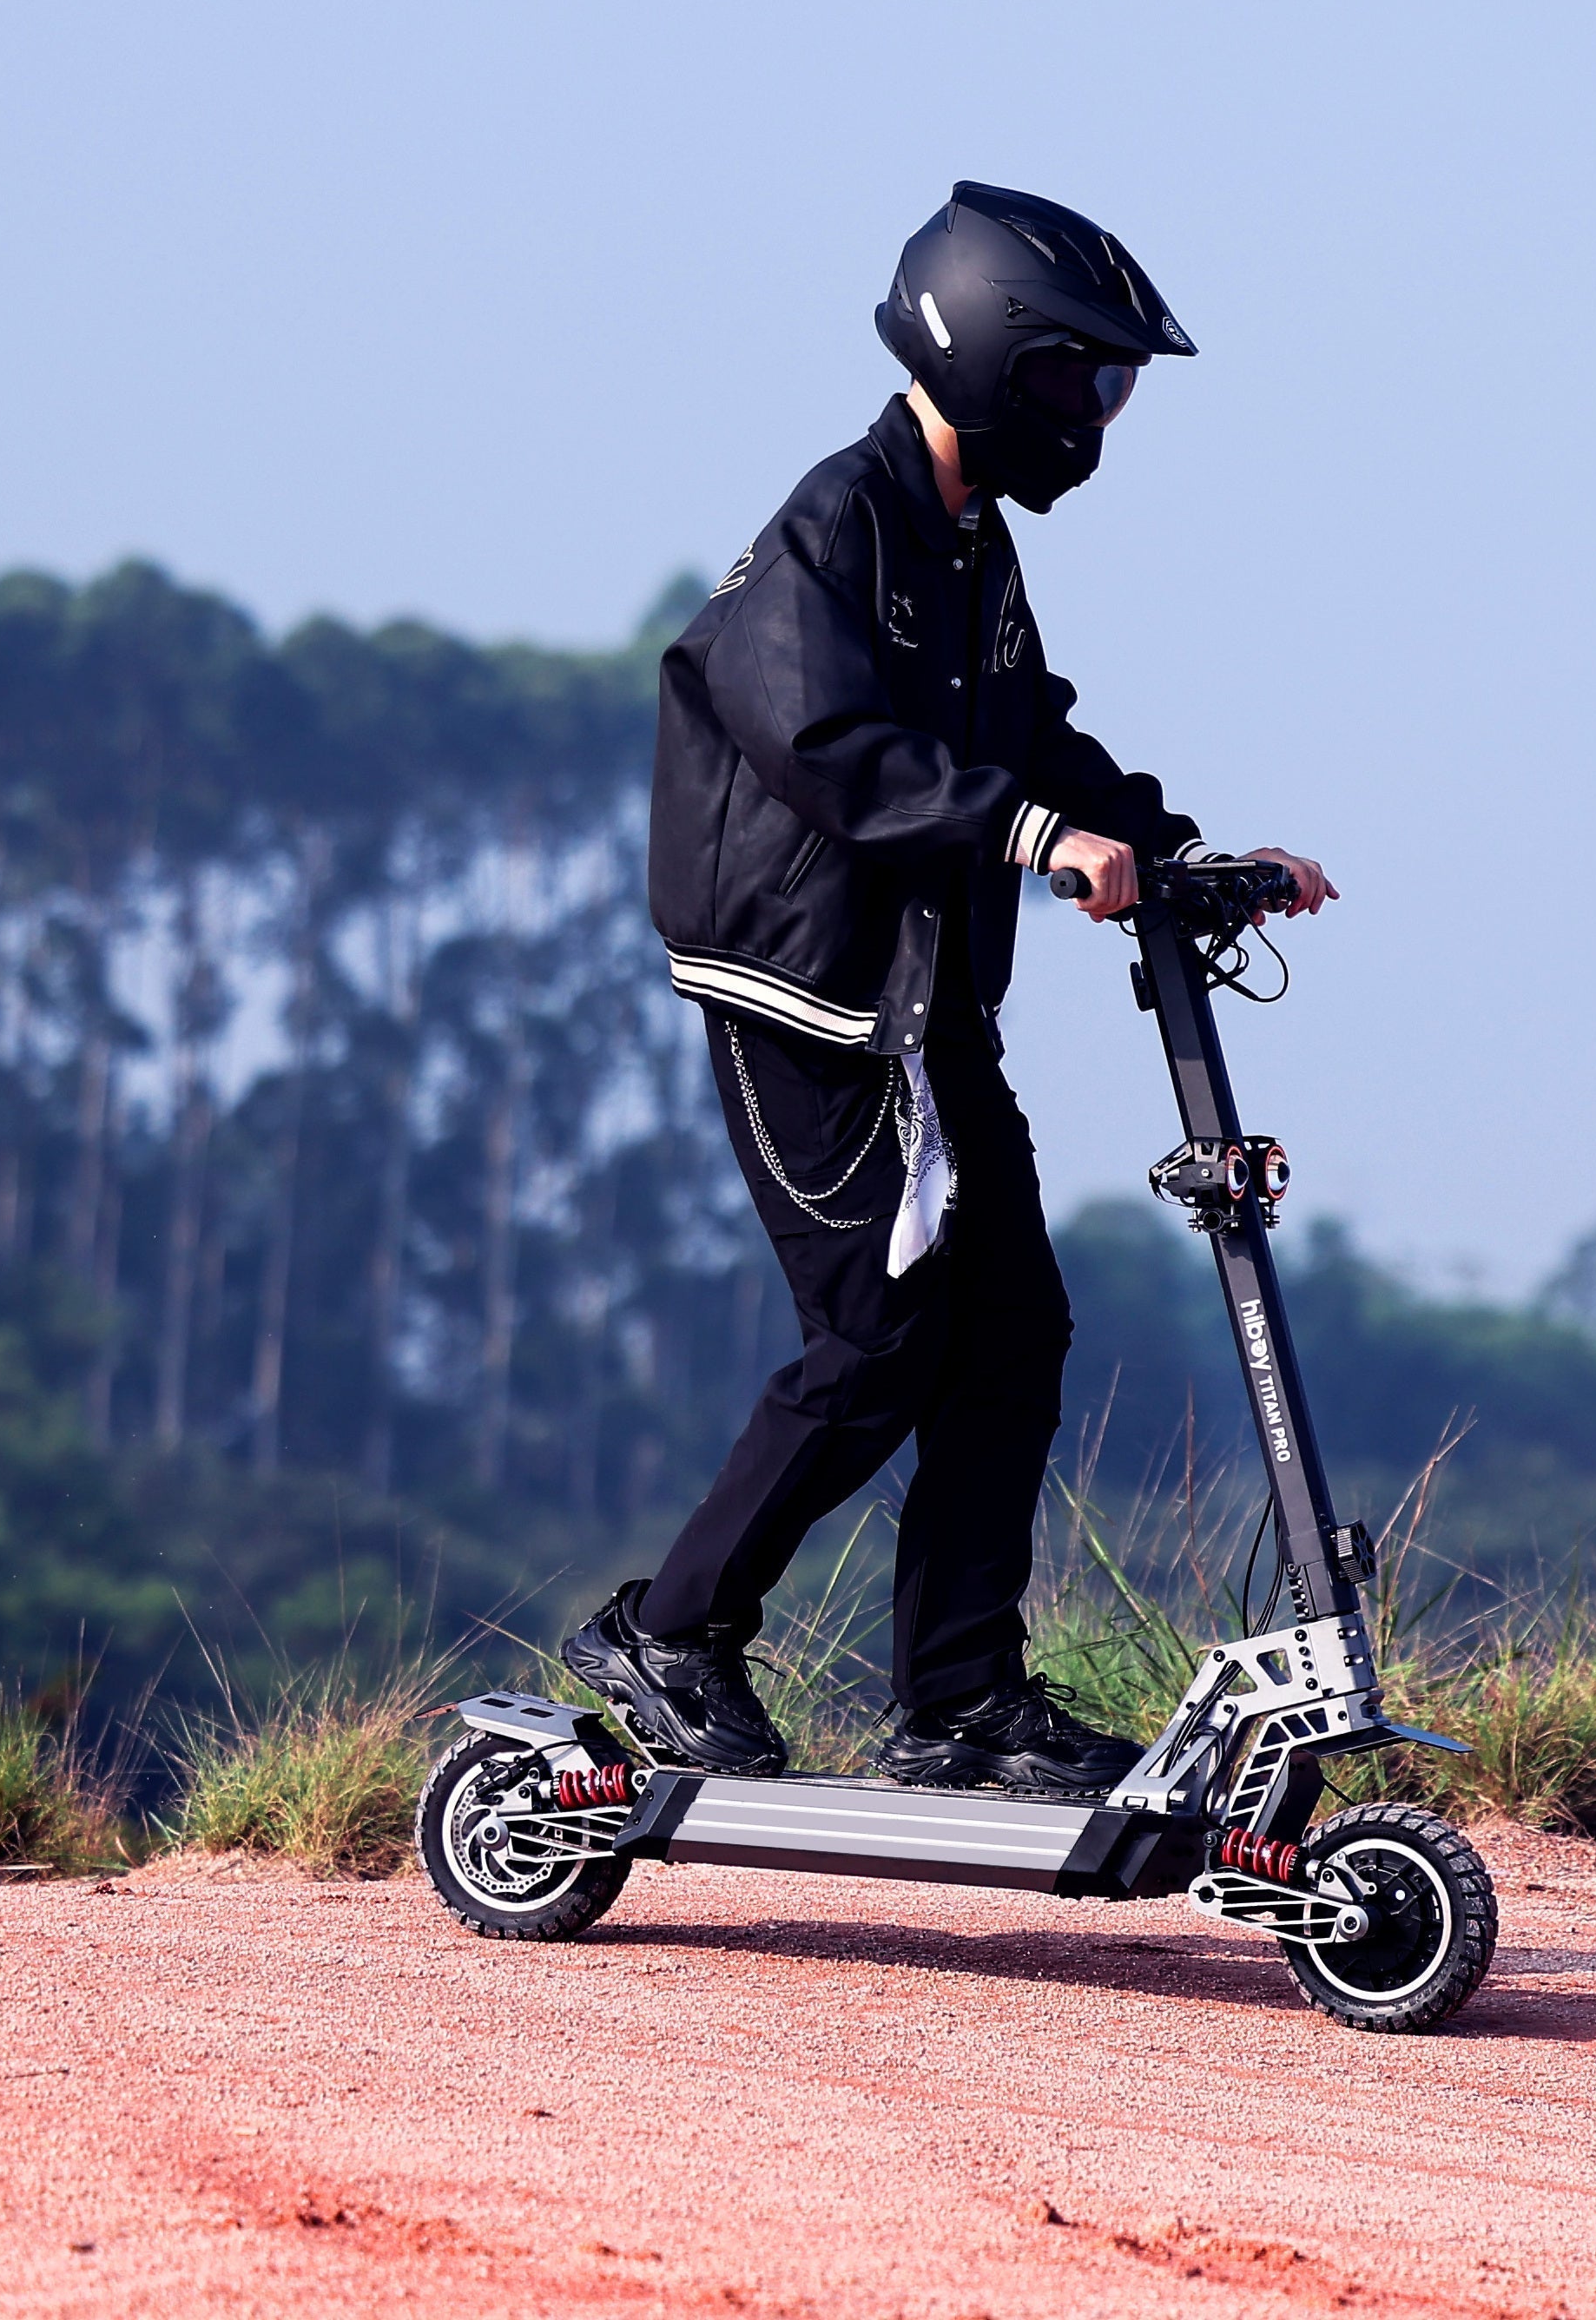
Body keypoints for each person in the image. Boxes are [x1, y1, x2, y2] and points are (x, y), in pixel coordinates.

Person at [565, 182, 1334, 1799]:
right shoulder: (833, 528)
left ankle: (962, 1702)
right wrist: (1036, 833)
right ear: (991, 350)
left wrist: (1174, 841)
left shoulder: (966, 536)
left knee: (1012, 1334)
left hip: (924, 997)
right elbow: (834, 750)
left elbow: (1022, 727)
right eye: (1081, 377)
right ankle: (669, 1636)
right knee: (879, 1336)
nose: (1096, 416)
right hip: (811, 998)